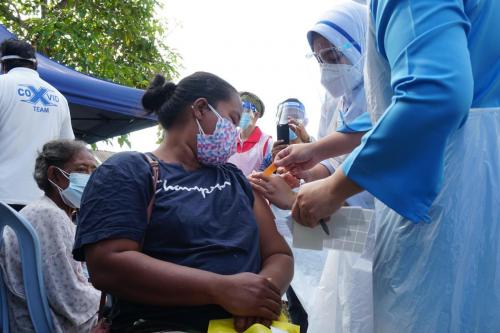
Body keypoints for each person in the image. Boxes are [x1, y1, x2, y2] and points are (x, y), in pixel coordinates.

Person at [276, 0, 500, 332]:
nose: (329, 69)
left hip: (452, 183)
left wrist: (333, 188)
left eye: (334, 57)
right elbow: (386, 114)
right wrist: (318, 155)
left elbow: (430, 93)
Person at [73, 72, 294, 333]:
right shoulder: (129, 170)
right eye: (232, 120)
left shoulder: (237, 180)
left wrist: (258, 295)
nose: (235, 134)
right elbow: (107, 265)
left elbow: (279, 254)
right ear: (200, 108)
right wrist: (219, 290)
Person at [0, 139, 100, 333]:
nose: (90, 178)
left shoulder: (54, 213)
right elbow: (70, 299)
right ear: (55, 175)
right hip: (48, 325)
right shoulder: (48, 216)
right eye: (81, 170)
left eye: (93, 171)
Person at [0, 39, 74, 211]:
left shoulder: (2, 86)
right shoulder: (59, 98)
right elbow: (68, 151)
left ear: (3, 64)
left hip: (2, 199)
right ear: (35, 64)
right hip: (42, 203)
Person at [228, 91, 273, 176]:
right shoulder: (229, 138)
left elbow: (271, 173)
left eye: (246, 110)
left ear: (256, 115)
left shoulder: (267, 142)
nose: (240, 114)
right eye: (239, 110)